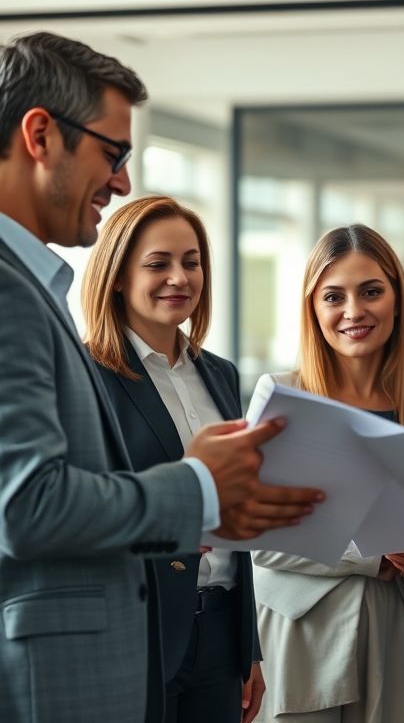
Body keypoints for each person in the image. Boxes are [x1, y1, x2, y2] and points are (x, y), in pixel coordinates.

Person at [0, 32, 323, 723]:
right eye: (112, 155)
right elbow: (25, 507)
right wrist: (199, 484)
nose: (119, 182)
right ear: (40, 134)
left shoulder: (32, 287)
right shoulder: (9, 291)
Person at [81, 195, 265, 723]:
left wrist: (246, 645)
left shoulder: (222, 374)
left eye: (191, 261)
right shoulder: (88, 376)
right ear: (117, 276)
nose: (179, 278)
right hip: (140, 633)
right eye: (158, 264)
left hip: (221, 632)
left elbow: (237, 522)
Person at [252, 224, 404, 723]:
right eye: (334, 296)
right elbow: (256, 529)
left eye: (371, 291)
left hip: (395, 639)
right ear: (313, 308)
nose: (354, 311)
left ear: (396, 298)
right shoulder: (281, 395)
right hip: (300, 638)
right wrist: (371, 555)